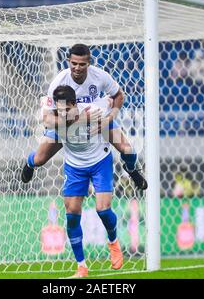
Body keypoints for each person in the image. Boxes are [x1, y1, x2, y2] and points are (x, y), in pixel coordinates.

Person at [21, 44, 147, 190]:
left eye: (82, 64)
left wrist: (110, 117)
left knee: (128, 150)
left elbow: (118, 95)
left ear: (89, 63)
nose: (77, 68)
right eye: (74, 63)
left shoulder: (100, 76)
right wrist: (78, 119)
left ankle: (131, 169)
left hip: (97, 122)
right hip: (66, 128)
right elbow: (47, 119)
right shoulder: (59, 82)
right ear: (68, 61)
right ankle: (30, 163)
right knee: (40, 159)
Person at [52, 85, 123, 278]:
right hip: (75, 166)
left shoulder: (95, 110)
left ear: (75, 104)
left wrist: (109, 109)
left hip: (100, 160)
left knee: (103, 209)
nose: (63, 115)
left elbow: (113, 100)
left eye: (66, 110)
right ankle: (81, 267)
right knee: (72, 214)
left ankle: (113, 242)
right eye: (59, 111)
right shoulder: (55, 118)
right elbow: (49, 121)